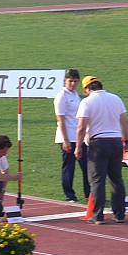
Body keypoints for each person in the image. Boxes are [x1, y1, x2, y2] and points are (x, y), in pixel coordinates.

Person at [75, 76, 128, 224]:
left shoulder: (87, 102)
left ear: (87, 88)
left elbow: (81, 127)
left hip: (98, 143)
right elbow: (125, 121)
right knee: (116, 179)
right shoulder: (115, 98)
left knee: (97, 181)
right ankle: (119, 215)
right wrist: (127, 141)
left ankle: (98, 215)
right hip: (116, 142)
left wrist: (78, 146)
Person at [54, 68, 90, 202]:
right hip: (68, 135)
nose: (73, 84)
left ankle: (89, 194)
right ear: (65, 80)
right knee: (69, 166)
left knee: (86, 166)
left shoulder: (75, 95)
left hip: (79, 136)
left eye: (75, 81)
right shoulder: (61, 96)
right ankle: (69, 195)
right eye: (70, 81)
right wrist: (65, 140)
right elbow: (60, 119)